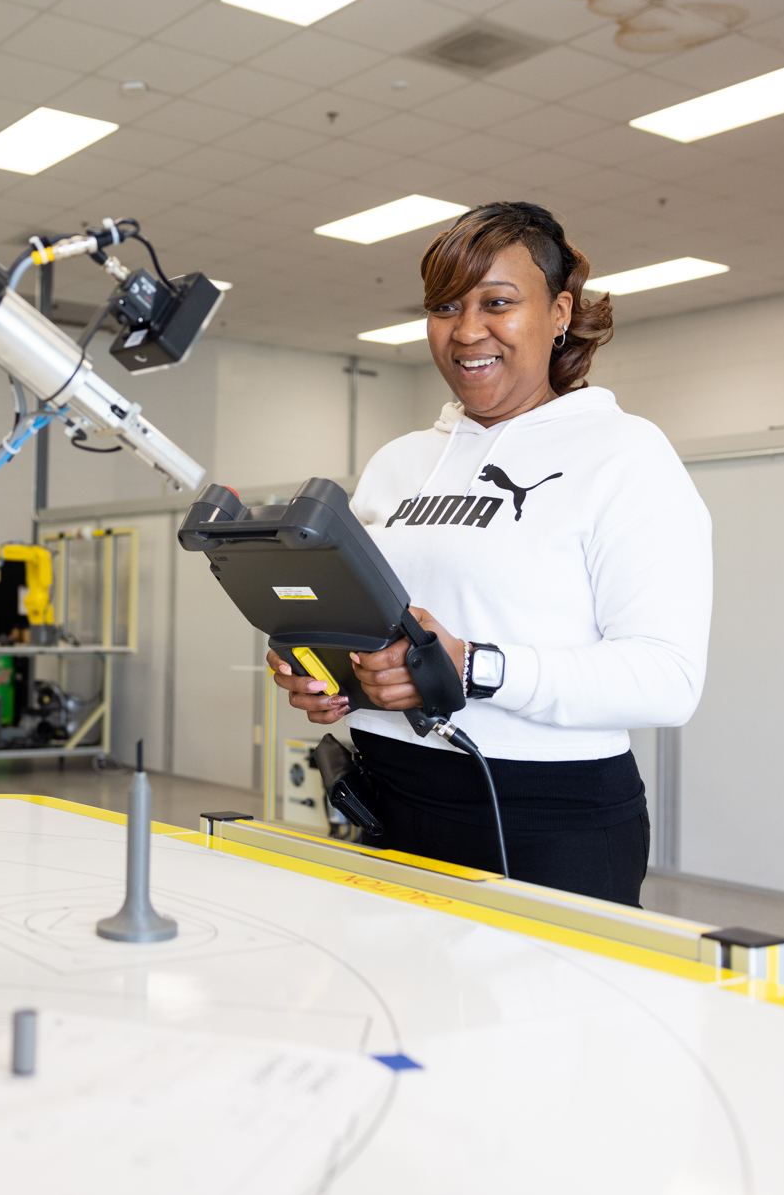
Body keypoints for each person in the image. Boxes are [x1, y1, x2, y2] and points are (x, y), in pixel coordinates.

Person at [271, 202, 711, 907]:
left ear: (560, 311)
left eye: (497, 303)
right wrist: (328, 670)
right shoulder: (399, 463)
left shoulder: (625, 455)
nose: (467, 330)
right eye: (445, 306)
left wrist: (475, 668)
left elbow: (668, 678)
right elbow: (367, 624)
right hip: (391, 799)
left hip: (548, 819)